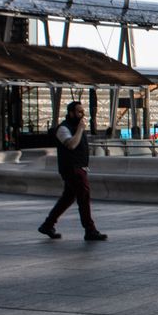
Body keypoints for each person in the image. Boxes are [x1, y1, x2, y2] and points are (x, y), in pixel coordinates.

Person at [39, 101, 107, 241]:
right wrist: (80, 130)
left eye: (82, 111)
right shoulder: (63, 129)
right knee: (84, 197)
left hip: (78, 167)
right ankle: (90, 230)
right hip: (71, 168)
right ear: (71, 113)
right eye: (79, 112)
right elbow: (71, 145)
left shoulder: (75, 127)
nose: (82, 114)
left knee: (68, 198)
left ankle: (47, 225)